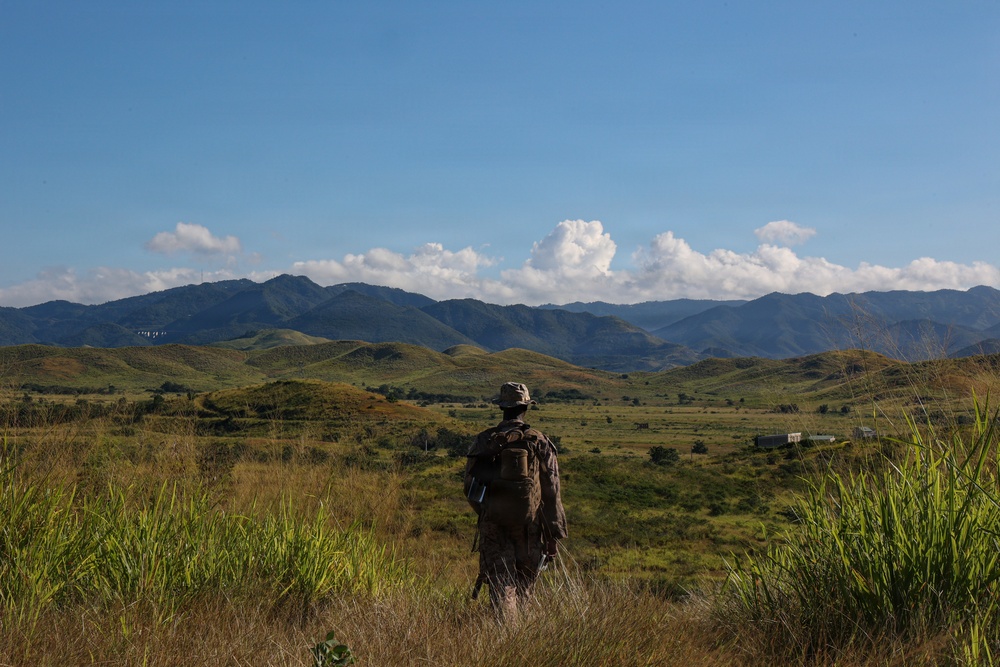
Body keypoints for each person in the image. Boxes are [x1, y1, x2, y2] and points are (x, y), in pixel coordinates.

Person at [464, 382, 567, 619]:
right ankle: (521, 640)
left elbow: (470, 488)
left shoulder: (484, 441)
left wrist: (487, 514)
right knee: (525, 588)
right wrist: (553, 536)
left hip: (494, 525)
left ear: (502, 407)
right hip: (530, 527)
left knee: (501, 586)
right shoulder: (540, 441)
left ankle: (504, 634)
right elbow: (552, 491)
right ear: (526, 407)